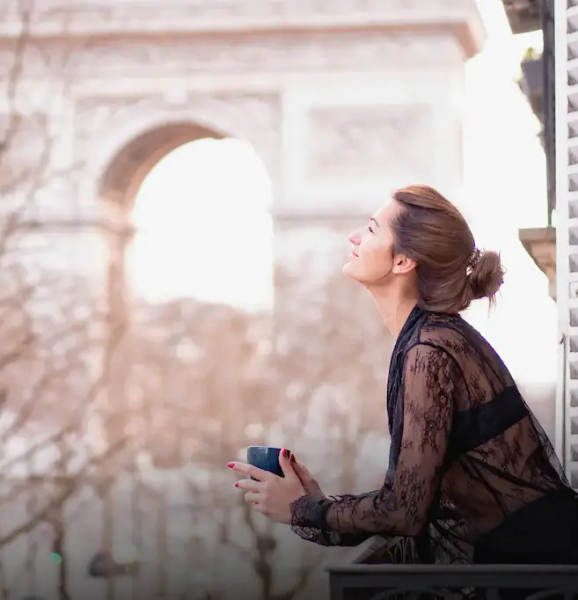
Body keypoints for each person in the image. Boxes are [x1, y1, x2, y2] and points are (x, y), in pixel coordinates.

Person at [227, 185, 578, 567]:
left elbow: (404, 511)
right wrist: (315, 504)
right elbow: (409, 505)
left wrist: (302, 509)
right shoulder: (431, 338)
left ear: (402, 261)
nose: (354, 237)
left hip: (544, 571)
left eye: (371, 229)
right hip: (534, 566)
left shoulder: (430, 350)